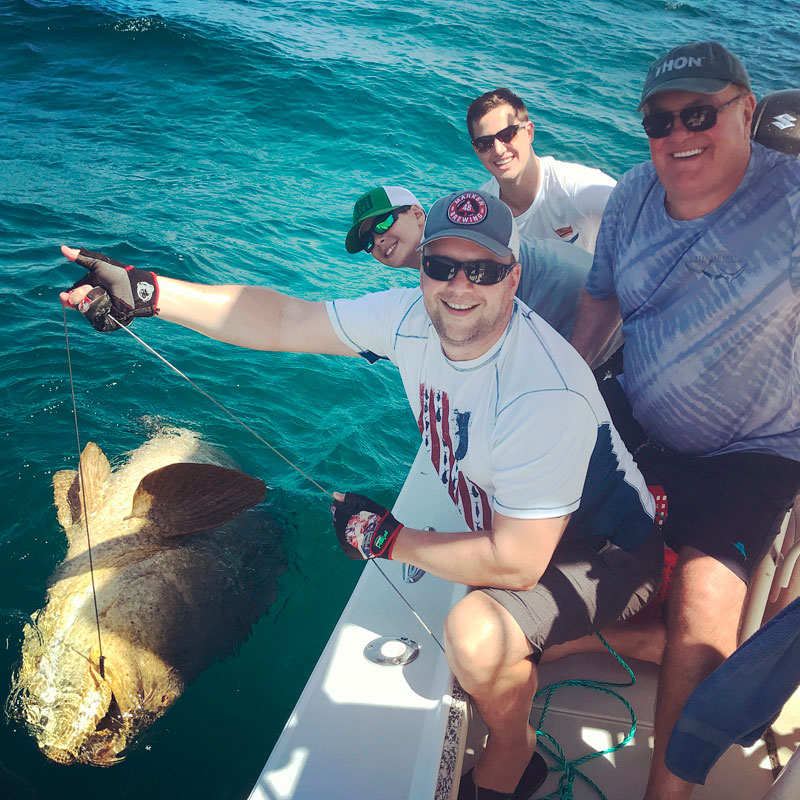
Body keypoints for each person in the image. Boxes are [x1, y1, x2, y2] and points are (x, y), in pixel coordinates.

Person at [60, 190, 663, 800]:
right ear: (422, 267)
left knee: (475, 640)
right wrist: (151, 293)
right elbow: (282, 319)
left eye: (482, 270)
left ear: (513, 276)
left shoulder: (542, 396)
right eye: (442, 266)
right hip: (518, 518)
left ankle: (515, 749)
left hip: (602, 550)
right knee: (484, 646)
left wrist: (386, 538)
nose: (459, 287)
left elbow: (517, 561)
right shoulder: (406, 318)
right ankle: (593, 642)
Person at [569, 41, 800, 800]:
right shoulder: (634, 194)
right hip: (641, 417)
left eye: (698, 113)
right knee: (537, 531)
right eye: (660, 120)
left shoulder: (791, 198)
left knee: (705, 609)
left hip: (752, 453)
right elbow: (600, 303)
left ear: (745, 111)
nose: (678, 133)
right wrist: (566, 396)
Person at [344, 183, 598, 343]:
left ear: (417, 213)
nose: (378, 239)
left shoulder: (459, 253)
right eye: (368, 241)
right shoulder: (441, 270)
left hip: (607, 324)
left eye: (383, 224)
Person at [466, 87, 617, 254]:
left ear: (529, 132)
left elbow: (638, 213)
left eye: (507, 134)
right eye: (485, 143)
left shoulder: (576, 187)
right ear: (476, 151)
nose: (499, 150)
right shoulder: (480, 212)